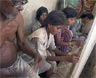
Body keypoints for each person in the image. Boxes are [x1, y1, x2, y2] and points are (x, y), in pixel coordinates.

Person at [27, 10, 79, 78]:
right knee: (34, 74)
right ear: (49, 25)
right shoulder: (39, 36)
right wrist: (66, 58)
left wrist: (68, 55)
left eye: (60, 28)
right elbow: (44, 57)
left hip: (38, 59)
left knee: (52, 66)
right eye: (58, 28)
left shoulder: (50, 33)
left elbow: (53, 48)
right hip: (29, 61)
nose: (59, 31)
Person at [0, 0, 43, 78]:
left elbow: (22, 43)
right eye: (17, 2)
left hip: (17, 63)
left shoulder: (18, 18)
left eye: (23, 2)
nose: (21, 8)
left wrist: (35, 55)